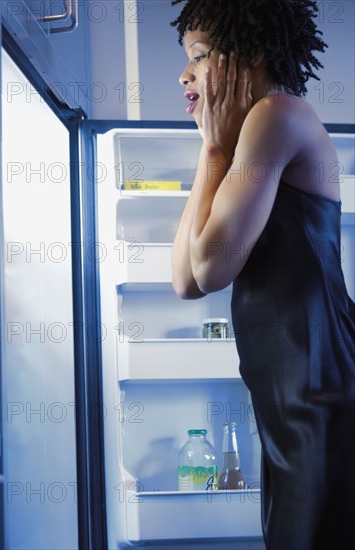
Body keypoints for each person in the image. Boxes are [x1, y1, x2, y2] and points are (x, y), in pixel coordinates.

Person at [170, 0, 355, 548]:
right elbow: (184, 280)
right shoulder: (242, 133)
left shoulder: (277, 114)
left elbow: (210, 265)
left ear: (246, 54)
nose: (184, 74)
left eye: (199, 56)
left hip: (320, 394)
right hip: (292, 399)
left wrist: (215, 146)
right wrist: (212, 148)